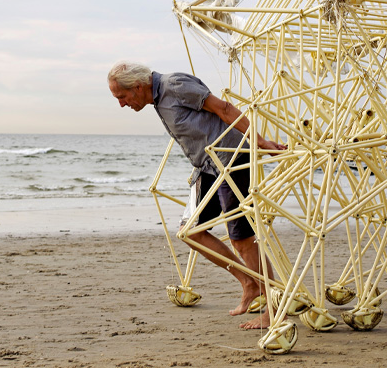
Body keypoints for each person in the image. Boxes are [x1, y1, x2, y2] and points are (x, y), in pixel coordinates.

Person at [107, 61, 285, 329]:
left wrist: (259, 142)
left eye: (121, 97)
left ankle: (274, 308)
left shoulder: (174, 85)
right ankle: (249, 282)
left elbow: (224, 109)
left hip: (231, 160)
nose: (121, 104)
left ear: (138, 87)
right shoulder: (158, 98)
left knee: (242, 239)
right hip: (208, 168)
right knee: (191, 232)